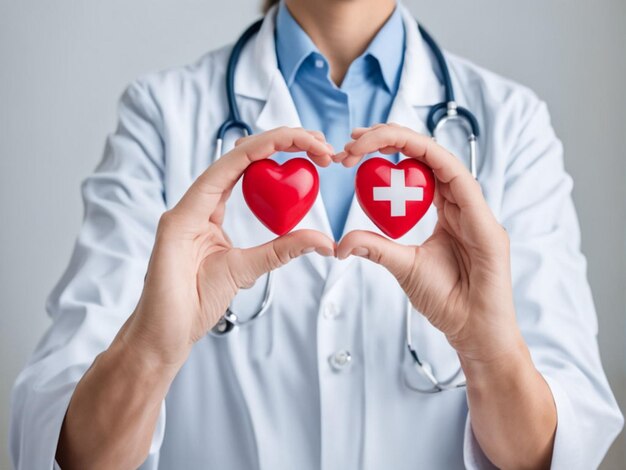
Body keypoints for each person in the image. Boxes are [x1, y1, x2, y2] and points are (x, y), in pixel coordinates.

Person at [10, 0, 623, 468]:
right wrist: (151, 348)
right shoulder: (163, 116)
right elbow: (63, 447)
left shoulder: (511, 124)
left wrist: (489, 352)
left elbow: (561, 448)